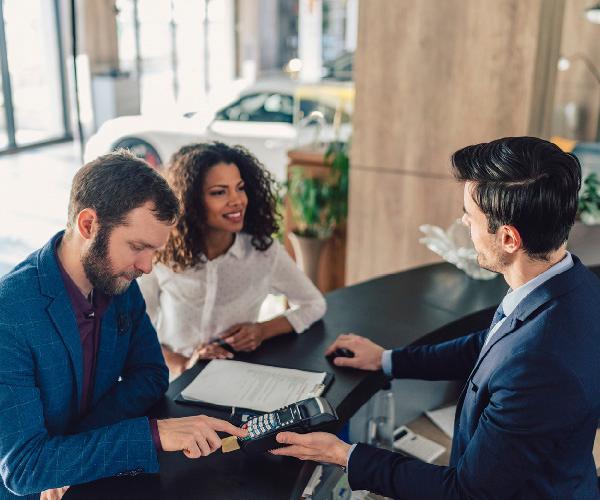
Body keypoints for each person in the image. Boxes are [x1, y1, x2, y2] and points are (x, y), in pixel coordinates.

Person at [272, 137, 600, 499]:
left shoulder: (540, 362)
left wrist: (343, 455)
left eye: (470, 216)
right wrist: (387, 360)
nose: (463, 221)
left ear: (508, 238)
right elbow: (491, 345)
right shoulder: (572, 285)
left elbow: (465, 493)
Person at [0, 151, 246, 500]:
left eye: (154, 251)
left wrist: (71, 455)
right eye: (137, 247)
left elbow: (151, 374)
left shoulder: (120, 281)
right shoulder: (9, 313)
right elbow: (25, 467)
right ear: (88, 225)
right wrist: (152, 435)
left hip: (92, 478)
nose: (146, 266)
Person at [138, 142, 326, 377]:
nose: (237, 200)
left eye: (240, 188)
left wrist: (262, 330)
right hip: (172, 379)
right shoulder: (160, 251)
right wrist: (179, 363)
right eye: (219, 192)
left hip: (234, 378)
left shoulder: (263, 252)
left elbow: (314, 304)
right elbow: (136, 328)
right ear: (190, 200)